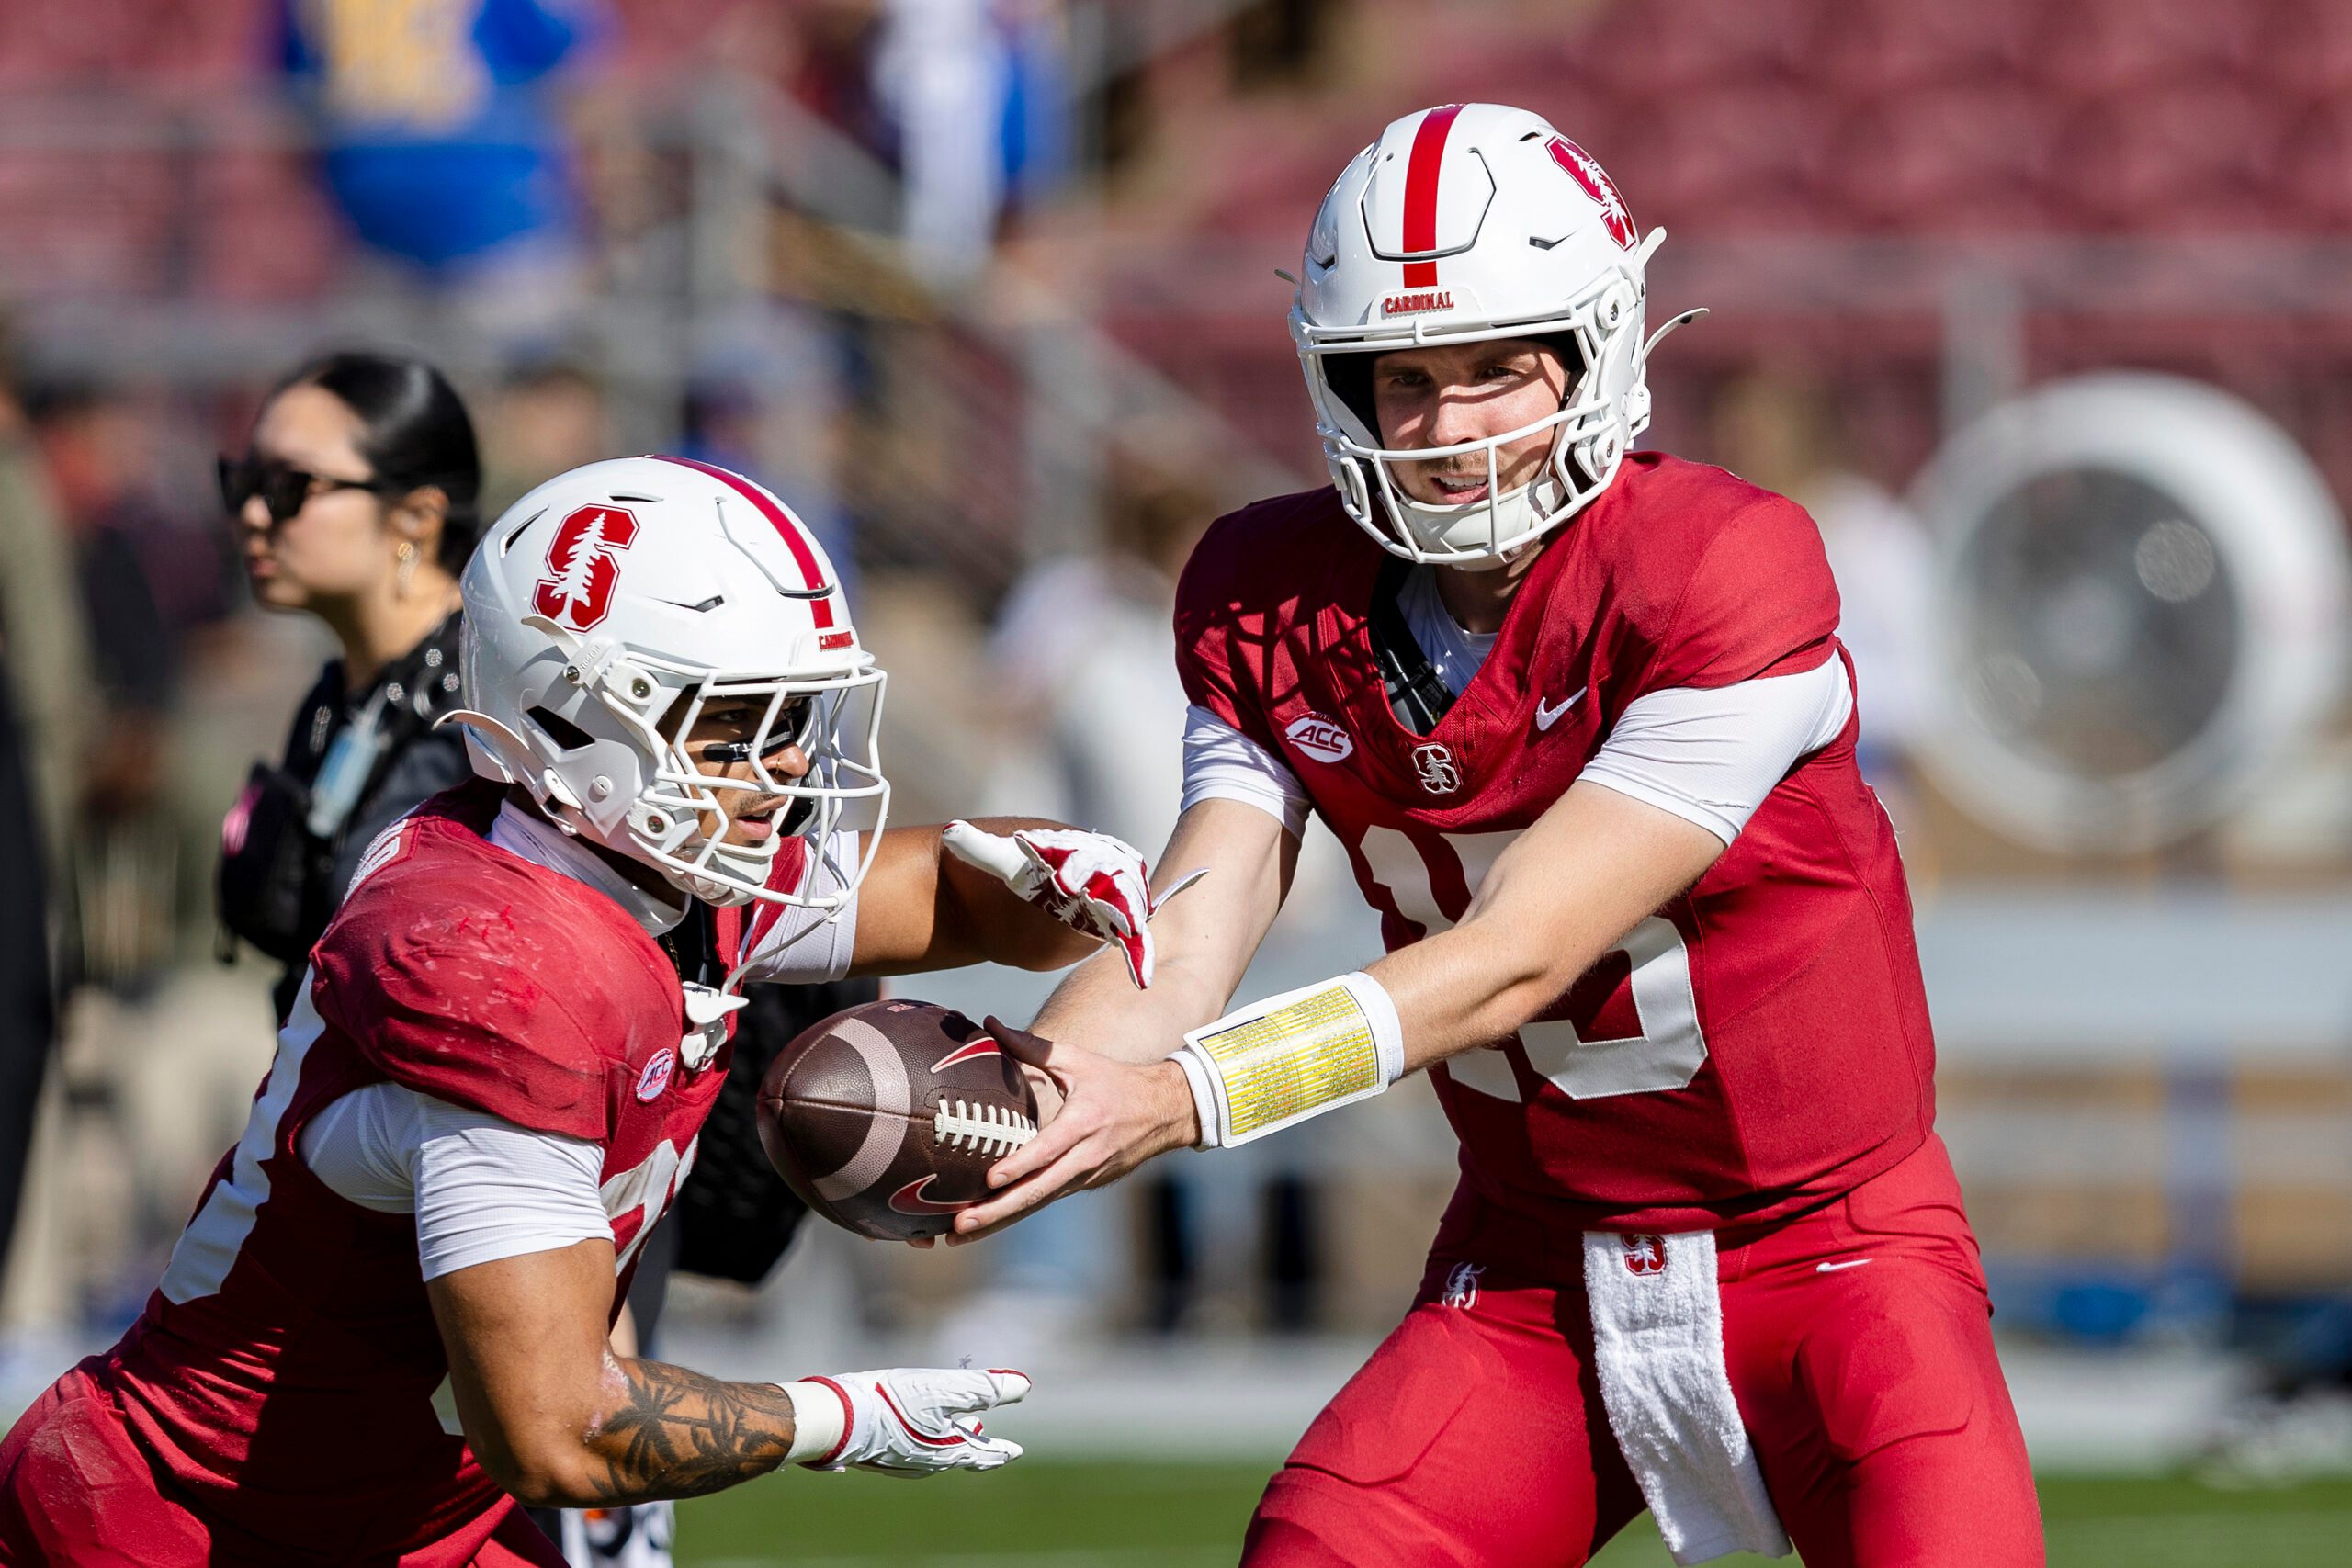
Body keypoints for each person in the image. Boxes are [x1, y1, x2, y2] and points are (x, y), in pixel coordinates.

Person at [948, 105, 2046, 1567]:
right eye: (1406, 379)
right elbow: (1193, 915)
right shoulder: (1265, 592)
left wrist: (1184, 1101)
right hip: (1534, 1268)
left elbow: (1519, 954)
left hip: (1831, 1247)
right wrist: (1049, 1089)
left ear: (1596, 356)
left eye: (1495, 369)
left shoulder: (1720, 563)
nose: (1452, 429)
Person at [0, 455, 1173, 1566]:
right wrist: (841, 1417)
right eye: (731, 726)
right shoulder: (494, 964)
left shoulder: (644, 859)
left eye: (789, 722)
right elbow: (559, 1429)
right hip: (193, 1525)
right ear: (570, 720)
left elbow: (945, 895)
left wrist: (1055, 863)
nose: (776, 772)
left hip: (410, 1514)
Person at [217, 349, 482, 1023]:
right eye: (241, 481)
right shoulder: (343, 694)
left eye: (287, 486)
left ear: (417, 518)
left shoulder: (484, 717)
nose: (251, 512)